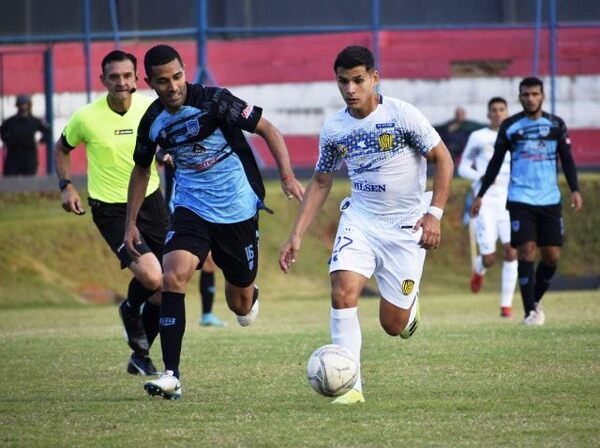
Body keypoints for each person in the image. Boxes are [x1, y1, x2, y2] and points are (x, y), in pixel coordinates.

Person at [124, 44, 304, 400]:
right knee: (172, 276)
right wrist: (131, 223)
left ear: (184, 71)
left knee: (240, 305)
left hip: (237, 208)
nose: (173, 86)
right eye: (163, 81)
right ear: (149, 82)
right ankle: (171, 374)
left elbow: (268, 128)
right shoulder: (152, 121)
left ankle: (251, 295)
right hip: (191, 208)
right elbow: (142, 168)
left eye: (177, 76)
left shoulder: (215, 100)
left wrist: (285, 175)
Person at [279, 46, 453, 405]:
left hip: (406, 227)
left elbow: (443, 159)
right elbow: (322, 181)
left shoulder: (402, 116)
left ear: (374, 78)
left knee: (393, 325)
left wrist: (434, 214)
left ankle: (409, 306)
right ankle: (351, 386)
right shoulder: (334, 129)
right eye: (343, 81)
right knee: (342, 290)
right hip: (360, 219)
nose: (350, 89)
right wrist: (296, 234)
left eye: (358, 80)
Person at [54, 50, 169, 376]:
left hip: (152, 202)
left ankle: (141, 355)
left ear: (136, 78)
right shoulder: (86, 117)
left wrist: (168, 155)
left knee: (165, 289)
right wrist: (66, 185)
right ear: (103, 80)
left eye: (127, 75)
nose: (121, 82)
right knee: (152, 276)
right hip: (111, 210)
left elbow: (165, 140)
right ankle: (130, 308)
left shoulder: (151, 107)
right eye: (114, 76)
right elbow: (62, 148)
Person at [471, 77, 583, 326]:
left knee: (552, 256)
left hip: (549, 198)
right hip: (520, 198)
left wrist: (575, 189)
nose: (530, 98)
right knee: (525, 250)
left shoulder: (556, 125)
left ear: (542, 96)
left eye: (534, 94)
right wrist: (481, 194)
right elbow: (496, 162)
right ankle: (529, 312)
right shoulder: (511, 126)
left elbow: (567, 159)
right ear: (520, 97)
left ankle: (535, 300)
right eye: (525, 94)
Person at [458, 97, 517, 318]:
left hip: (510, 199)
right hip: (486, 200)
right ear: (488, 114)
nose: (498, 113)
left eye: (502, 109)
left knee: (512, 250)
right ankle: (479, 268)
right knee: (490, 257)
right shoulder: (479, 137)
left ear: (507, 112)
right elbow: (463, 167)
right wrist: (481, 177)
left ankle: (506, 305)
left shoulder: (515, 135)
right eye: (494, 110)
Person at [157, 149, 225, 327]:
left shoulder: (204, 148)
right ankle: (148, 307)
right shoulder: (175, 138)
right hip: (175, 211)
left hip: (199, 211)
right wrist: (164, 156)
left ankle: (207, 315)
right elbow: (158, 154)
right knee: (164, 270)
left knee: (210, 262)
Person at [1, 94, 50, 176]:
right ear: (18, 105)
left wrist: (39, 142)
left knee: (29, 178)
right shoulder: (11, 121)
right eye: (21, 104)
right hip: (14, 153)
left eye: (25, 104)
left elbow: (47, 132)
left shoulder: (35, 121)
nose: (23, 106)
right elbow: (2, 131)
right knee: (10, 178)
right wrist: (7, 141)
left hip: (29, 153)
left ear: (29, 105)